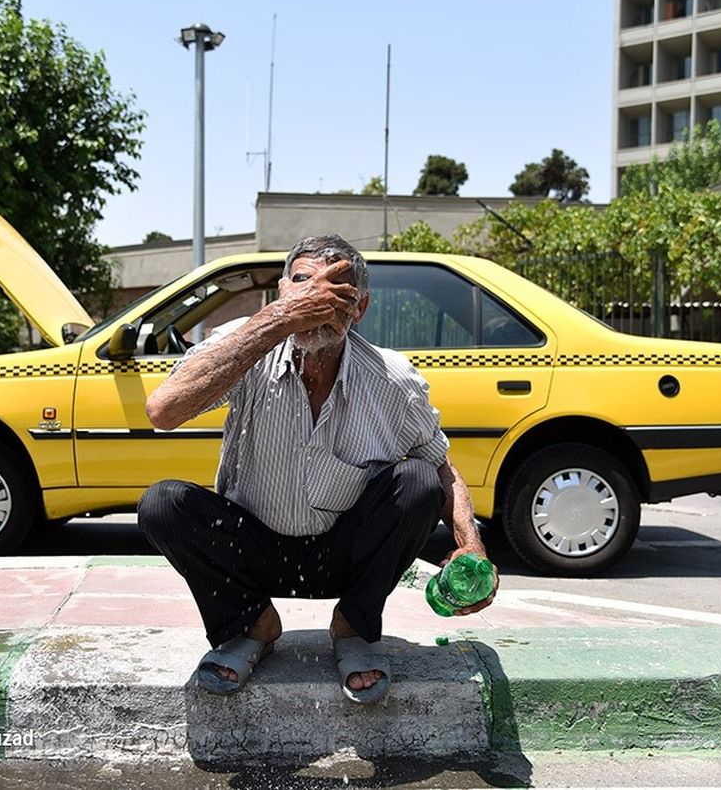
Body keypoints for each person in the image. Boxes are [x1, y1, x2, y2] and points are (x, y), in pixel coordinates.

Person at [138, 234, 497, 704]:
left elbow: (442, 468)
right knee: (163, 503)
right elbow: (164, 410)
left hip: (342, 557)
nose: (316, 300)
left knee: (418, 482)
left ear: (360, 308)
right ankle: (252, 623)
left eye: (336, 291)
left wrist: (471, 545)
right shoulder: (246, 344)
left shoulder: (392, 380)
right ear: (283, 291)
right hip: (254, 551)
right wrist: (278, 321)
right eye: (304, 284)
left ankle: (354, 625)